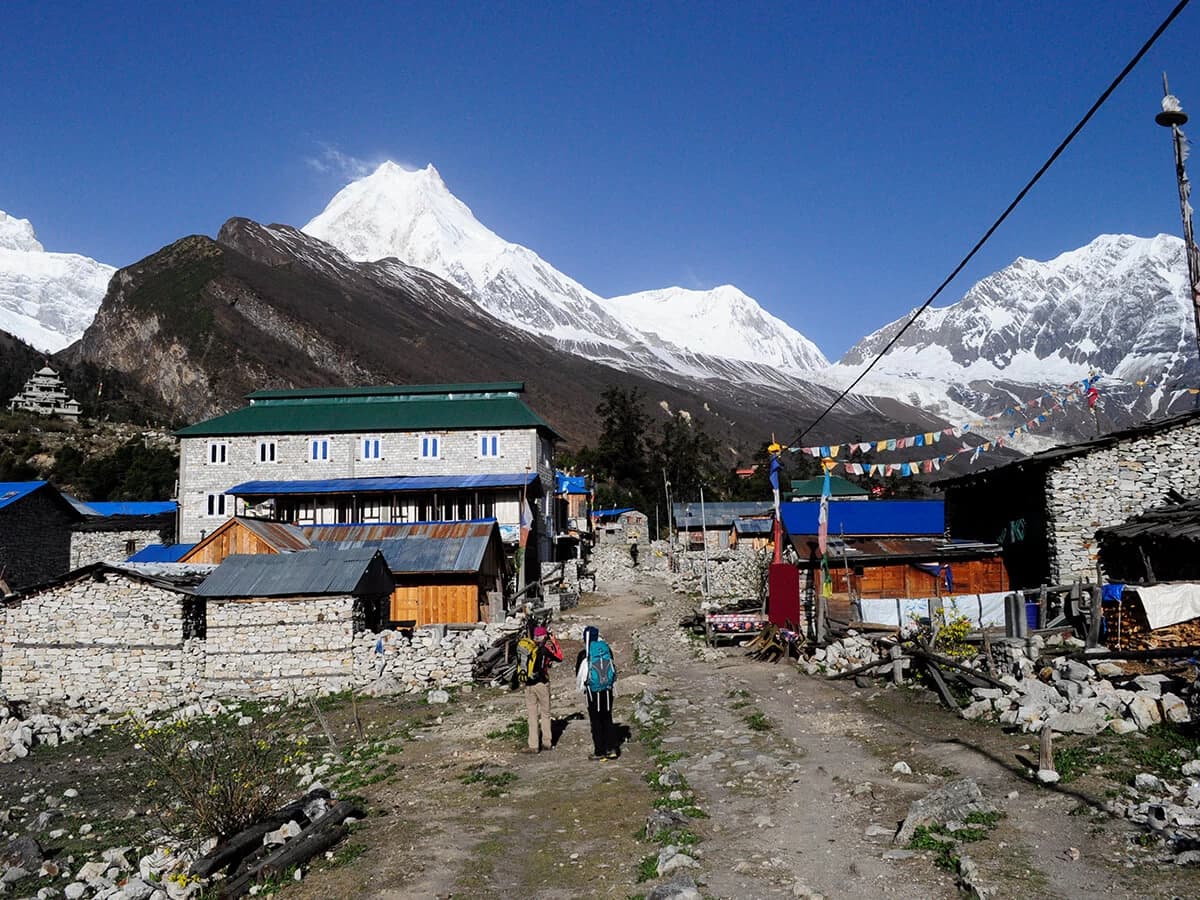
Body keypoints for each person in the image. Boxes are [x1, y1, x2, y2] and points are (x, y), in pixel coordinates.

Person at [576, 625, 618, 760]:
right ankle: (611, 749)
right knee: (607, 718)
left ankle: (599, 751)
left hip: (592, 692)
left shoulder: (584, 654)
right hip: (607, 690)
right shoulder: (606, 650)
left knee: (596, 721)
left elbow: (579, 675)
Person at [523, 625, 562, 753]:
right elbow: (559, 657)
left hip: (529, 684)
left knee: (532, 715)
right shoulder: (545, 649)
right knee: (545, 713)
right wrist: (554, 641)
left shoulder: (529, 648)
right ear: (544, 636)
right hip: (542, 684)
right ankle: (547, 742)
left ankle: (533, 745)